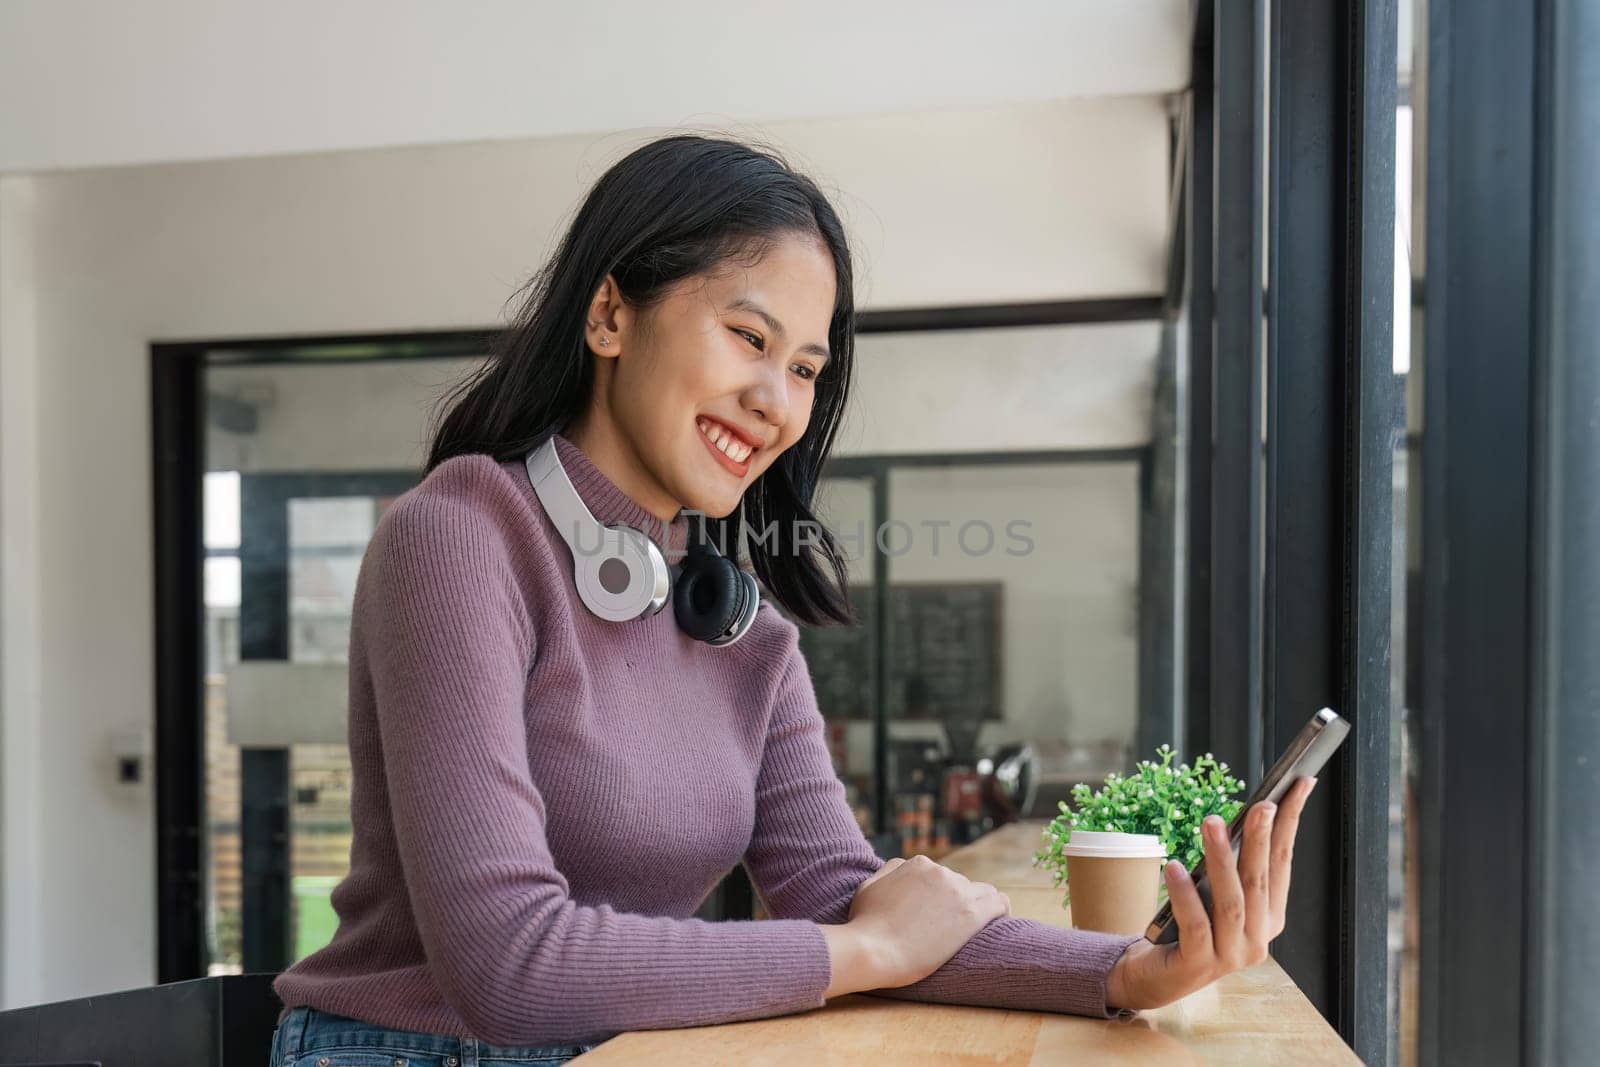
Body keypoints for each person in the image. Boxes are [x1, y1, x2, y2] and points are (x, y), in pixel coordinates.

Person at [268, 133, 1315, 1066]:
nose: (779, 401)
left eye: (808, 366)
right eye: (749, 336)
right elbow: (508, 965)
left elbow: (850, 895)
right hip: (405, 1049)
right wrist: (860, 950)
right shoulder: (457, 538)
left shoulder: (736, 620)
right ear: (607, 313)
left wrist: (1129, 971)